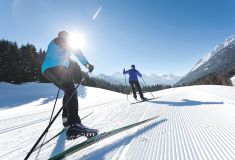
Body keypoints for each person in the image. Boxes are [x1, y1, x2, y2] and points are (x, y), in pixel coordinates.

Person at [41, 31, 98, 140]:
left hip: (47, 70)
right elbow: (77, 52)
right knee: (71, 91)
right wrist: (87, 64)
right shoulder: (60, 40)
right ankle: (75, 124)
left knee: (69, 91)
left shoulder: (53, 43)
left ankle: (66, 119)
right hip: (57, 67)